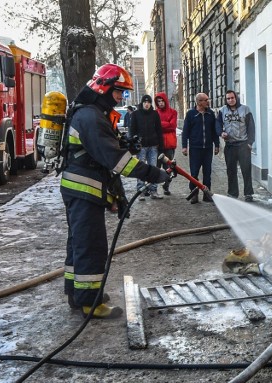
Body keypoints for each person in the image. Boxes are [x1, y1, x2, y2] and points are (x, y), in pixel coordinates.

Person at [60, 64, 169, 319]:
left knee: (78, 243)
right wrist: (153, 174)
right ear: (104, 88)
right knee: (91, 245)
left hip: (82, 188)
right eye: (119, 91)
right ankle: (91, 302)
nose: (122, 97)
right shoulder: (90, 117)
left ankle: (77, 294)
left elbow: (105, 153)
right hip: (84, 189)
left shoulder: (91, 114)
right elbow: (117, 161)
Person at [216, 90, 256, 202]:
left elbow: (251, 126)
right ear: (226, 100)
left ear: (236, 98)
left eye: (232, 98)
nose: (230, 100)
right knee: (231, 170)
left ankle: (248, 194)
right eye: (228, 98)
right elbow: (218, 124)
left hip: (243, 145)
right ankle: (233, 193)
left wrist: (250, 142)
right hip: (230, 145)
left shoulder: (245, 109)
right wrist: (221, 133)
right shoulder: (222, 110)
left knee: (246, 170)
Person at [181, 92, 220, 203]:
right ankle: (194, 194)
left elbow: (214, 131)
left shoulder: (211, 114)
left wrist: (216, 145)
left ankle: (207, 194)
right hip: (195, 148)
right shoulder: (190, 114)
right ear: (199, 102)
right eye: (205, 99)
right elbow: (185, 132)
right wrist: (184, 146)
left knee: (207, 172)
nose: (208, 101)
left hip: (207, 148)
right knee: (194, 173)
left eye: (208, 99)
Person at [129, 94, 164, 200]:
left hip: (153, 146)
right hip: (141, 146)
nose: (147, 104)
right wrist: (133, 143)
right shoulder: (135, 114)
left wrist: (161, 145)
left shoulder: (155, 114)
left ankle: (153, 190)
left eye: (148, 102)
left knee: (153, 168)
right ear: (142, 103)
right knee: (140, 168)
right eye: (145, 102)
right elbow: (132, 130)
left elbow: (159, 130)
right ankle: (141, 191)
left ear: (150, 103)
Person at [155, 92, 178, 195]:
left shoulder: (173, 112)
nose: (160, 103)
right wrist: (166, 124)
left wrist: (159, 124)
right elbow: (154, 127)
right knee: (155, 167)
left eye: (162, 101)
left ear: (165, 101)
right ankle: (153, 188)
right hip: (157, 144)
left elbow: (172, 126)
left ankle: (166, 186)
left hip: (169, 144)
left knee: (169, 167)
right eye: (158, 101)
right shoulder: (155, 113)